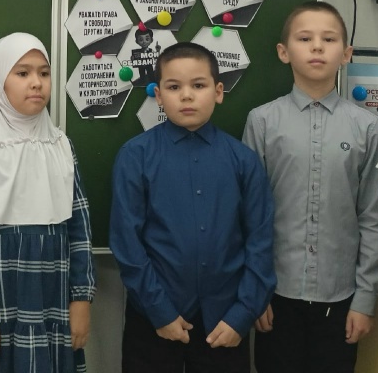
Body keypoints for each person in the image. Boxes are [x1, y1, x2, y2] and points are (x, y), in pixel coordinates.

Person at [244, 1, 378, 373]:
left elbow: (374, 217)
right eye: (305, 38)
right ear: (283, 52)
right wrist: (254, 291)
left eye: (329, 39)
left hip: (340, 297)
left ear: (346, 53)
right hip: (276, 293)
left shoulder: (367, 128)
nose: (317, 46)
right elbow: (249, 215)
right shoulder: (262, 121)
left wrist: (365, 299)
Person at [111, 42, 274, 373]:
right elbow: (127, 243)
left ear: (218, 92)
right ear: (158, 96)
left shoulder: (243, 161)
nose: (186, 96)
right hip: (154, 317)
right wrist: (159, 311)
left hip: (225, 320)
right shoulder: (135, 156)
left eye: (198, 85)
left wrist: (243, 314)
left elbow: (261, 241)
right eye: (174, 87)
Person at [0, 33, 95, 372]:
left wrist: (81, 298)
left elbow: (80, 230)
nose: (36, 83)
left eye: (44, 73)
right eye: (22, 73)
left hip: (52, 296)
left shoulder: (60, 145)